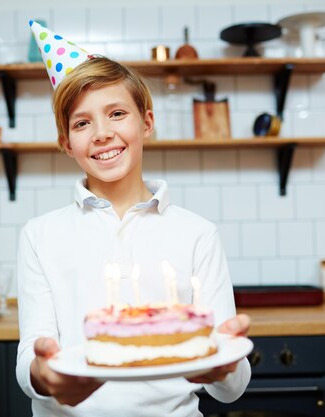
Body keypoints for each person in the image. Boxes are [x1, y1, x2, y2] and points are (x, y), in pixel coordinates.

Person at [16, 20, 251, 417]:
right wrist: (42, 373)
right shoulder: (40, 235)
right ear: (65, 143)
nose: (102, 133)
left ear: (146, 122)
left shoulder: (197, 234)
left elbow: (233, 390)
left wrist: (224, 366)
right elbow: (30, 363)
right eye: (81, 122)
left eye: (117, 113)